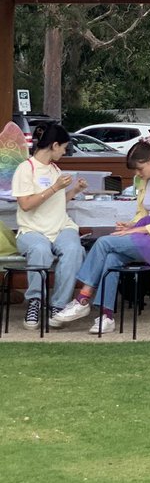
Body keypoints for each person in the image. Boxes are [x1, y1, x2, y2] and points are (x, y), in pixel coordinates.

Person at [52, 140, 150, 334]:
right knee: (111, 258)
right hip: (149, 234)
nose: (137, 174)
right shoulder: (144, 180)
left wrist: (133, 231)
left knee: (104, 242)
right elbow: (143, 212)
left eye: (140, 169)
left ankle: (82, 298)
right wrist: (131, 224)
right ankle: (106, 316)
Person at [11, 122, 87, 330]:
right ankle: (35, 301)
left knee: (74, 250)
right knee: (40, 249)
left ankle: (59, 305)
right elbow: (26, 205)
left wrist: (74, 191)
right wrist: (55, 187)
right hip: (32, 230)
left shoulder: (55, 169)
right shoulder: (25, 169)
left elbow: (56, 203)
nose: (64, 152)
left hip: (61, 227)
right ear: (54, 145)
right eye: (63, 148)